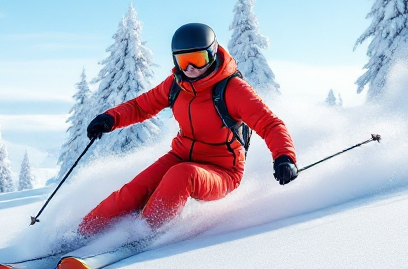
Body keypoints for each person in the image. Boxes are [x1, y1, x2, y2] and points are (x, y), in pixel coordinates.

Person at [79, 22, 297, 237]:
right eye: (183, 61)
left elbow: (270, 124)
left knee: (182, 175)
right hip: (181, 156)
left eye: (197, 59)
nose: (190, 68)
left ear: (212, 55)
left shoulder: (232, 89)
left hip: (222, 170)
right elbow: (141, 106)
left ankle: (142, 234)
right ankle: (80, 234)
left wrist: (284, 157)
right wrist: (109, 118)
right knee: (135, 190)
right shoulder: (176, 84)